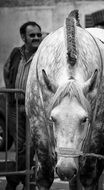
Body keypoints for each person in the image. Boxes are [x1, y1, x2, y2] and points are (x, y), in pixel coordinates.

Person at [3, 21, 42, 190]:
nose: (36, 38)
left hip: (33, 108)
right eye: (32, 35)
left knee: (30, 146)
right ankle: (27, 182)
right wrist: (12, 90)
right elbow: (6, 69)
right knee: (20, 147)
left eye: (38, 35)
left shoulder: (42, 54)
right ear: (23, 37)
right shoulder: (16, 53)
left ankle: (14, 182)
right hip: (15, 106)